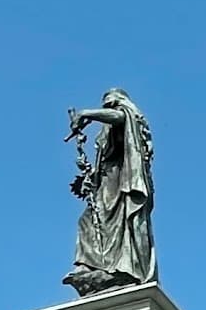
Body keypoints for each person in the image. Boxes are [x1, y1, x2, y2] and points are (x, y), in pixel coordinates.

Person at [63, 89, 157, 296]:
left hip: (124, 185)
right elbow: (107, 159)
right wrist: (90, 178)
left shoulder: (127, 117)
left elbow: (120, 118)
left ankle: (121, 270)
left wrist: (87, 113)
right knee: (87, 221)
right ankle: (92, 268)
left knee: (120, 226)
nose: (106, 108)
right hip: (107, 185)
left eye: (109, 104)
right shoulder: (107, 131)